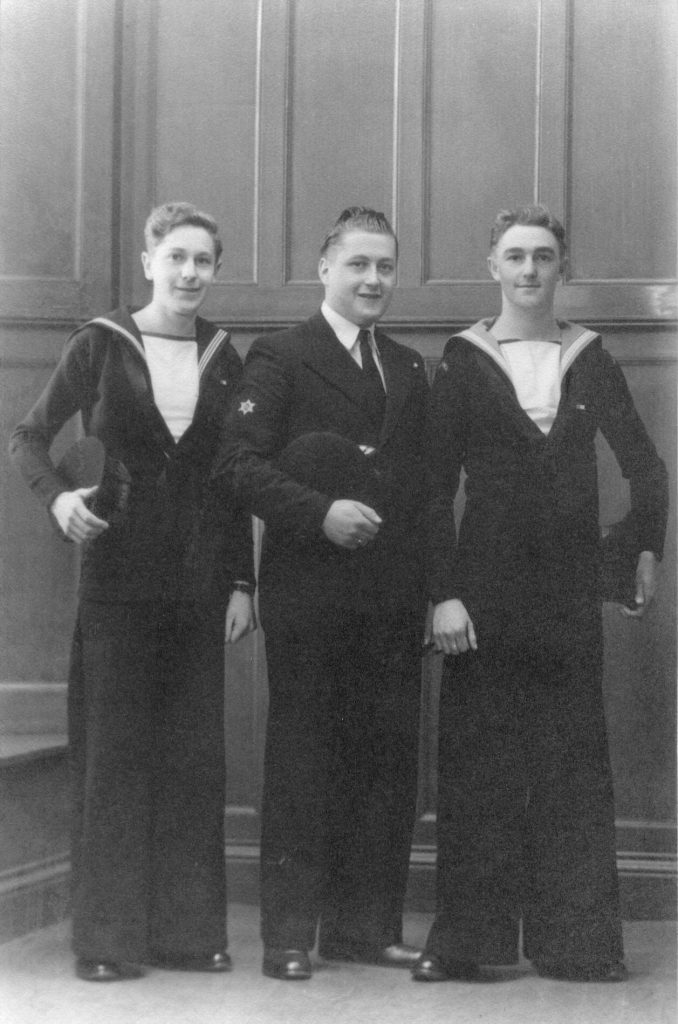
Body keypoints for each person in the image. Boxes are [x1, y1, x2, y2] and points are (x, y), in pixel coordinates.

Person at [412, 204, 668, 984]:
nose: (530, 270)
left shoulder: (591, 357)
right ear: (493, 265)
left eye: (544, 256)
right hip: (482, 595)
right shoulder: (463, 360)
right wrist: (443, 594)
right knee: (479, 767)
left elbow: (646, 467)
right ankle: (468, 944)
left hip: (566, 597)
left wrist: (641, 550)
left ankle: (579, 945)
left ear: (563, 269)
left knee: (572, 766)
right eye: (517, 255)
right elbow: (430, 489)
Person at [9, 202, 256, 982]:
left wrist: (242, 581)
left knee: (192, 759)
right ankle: (108, 942)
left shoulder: (224, 357)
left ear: (215, 269)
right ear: (149, 261)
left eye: (203, 260)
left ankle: (187, 934)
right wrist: (58, 499)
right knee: (115, 759)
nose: (189, 273)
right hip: (116, 582)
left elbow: (232, 479)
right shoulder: (100, 342)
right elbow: (28, 437)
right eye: (176, 257)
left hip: (199, 584)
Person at [216, 207, 429, 980]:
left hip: (392, 600)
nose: (373, 280)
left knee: (384, 764)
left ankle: (364, 930)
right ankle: (287, 937)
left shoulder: (407, 366)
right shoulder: (280, 355)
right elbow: (237, 466)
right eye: (358, 265)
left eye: (385, 267)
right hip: (310, 596)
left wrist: (429, 590)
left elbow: (427, 489)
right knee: (304, 761)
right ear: (324, 269)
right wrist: (321, 513)